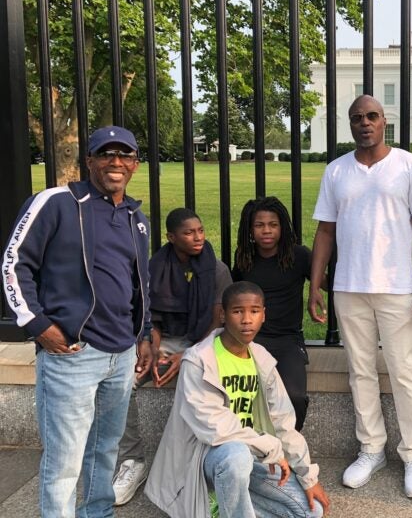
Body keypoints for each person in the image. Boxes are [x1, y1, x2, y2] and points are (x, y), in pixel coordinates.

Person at [2, 126, 152, 516]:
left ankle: (97, 512)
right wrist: (37, 324)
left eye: (125, 155)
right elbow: (14, 263)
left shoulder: (136, 217)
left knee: (106, 450)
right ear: (90, 160)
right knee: (65, 460)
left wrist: (144, 334)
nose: (115, 162)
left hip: (120, 356)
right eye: (106, 154)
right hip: (72, 353)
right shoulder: (57, 203)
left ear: (135, 164)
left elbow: (140, 283)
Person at [308, 94, 412, 499]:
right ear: (350, 125)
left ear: (385, 121)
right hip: (348, 286)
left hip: (397, 287)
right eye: (357, 118)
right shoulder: (336, 171)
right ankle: (372, 448)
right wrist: (315, 283)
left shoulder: (408, 166)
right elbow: (325, 230)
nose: (365, 123)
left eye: (372, 116)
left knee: (403, 372)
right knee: (360, 371)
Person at [145, 281, 330, 518]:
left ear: (263, 315)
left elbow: (283, 422)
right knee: (236, 455)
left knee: (312, 511)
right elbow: (215, 427)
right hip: (208, 461)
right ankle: (224, 504)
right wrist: (269, 446)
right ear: (223, 315)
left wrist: (308, 477)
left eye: (254, 311)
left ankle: (227, 507)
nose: (246, 319)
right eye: (237, 311)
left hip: (255, 457)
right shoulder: (199, 360)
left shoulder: (261, 359)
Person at [112, 208, 232, 505]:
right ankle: (132, 461)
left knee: (200, 383)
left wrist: (187, 356)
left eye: (200, 230)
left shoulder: (216, 270)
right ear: (171, 237)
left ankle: (198, 463)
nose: (198, 237)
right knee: (123, 381)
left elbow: (218, 323)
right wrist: (152, 348)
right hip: (163, 339)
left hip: (203, 342)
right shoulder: (154, 267)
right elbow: (149, 317)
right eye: (189, 232)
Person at [233, 196, 322, 431]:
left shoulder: (298, 255)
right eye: (259, 225)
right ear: (250, 229)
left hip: (287, 340)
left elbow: (325, 282)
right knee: (246, 394)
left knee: (294, 396)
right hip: (251, 340)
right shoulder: (244, 258)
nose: (266, 231)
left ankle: (287, 446)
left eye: (273, 224)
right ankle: (253, 446)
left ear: (282, 227)